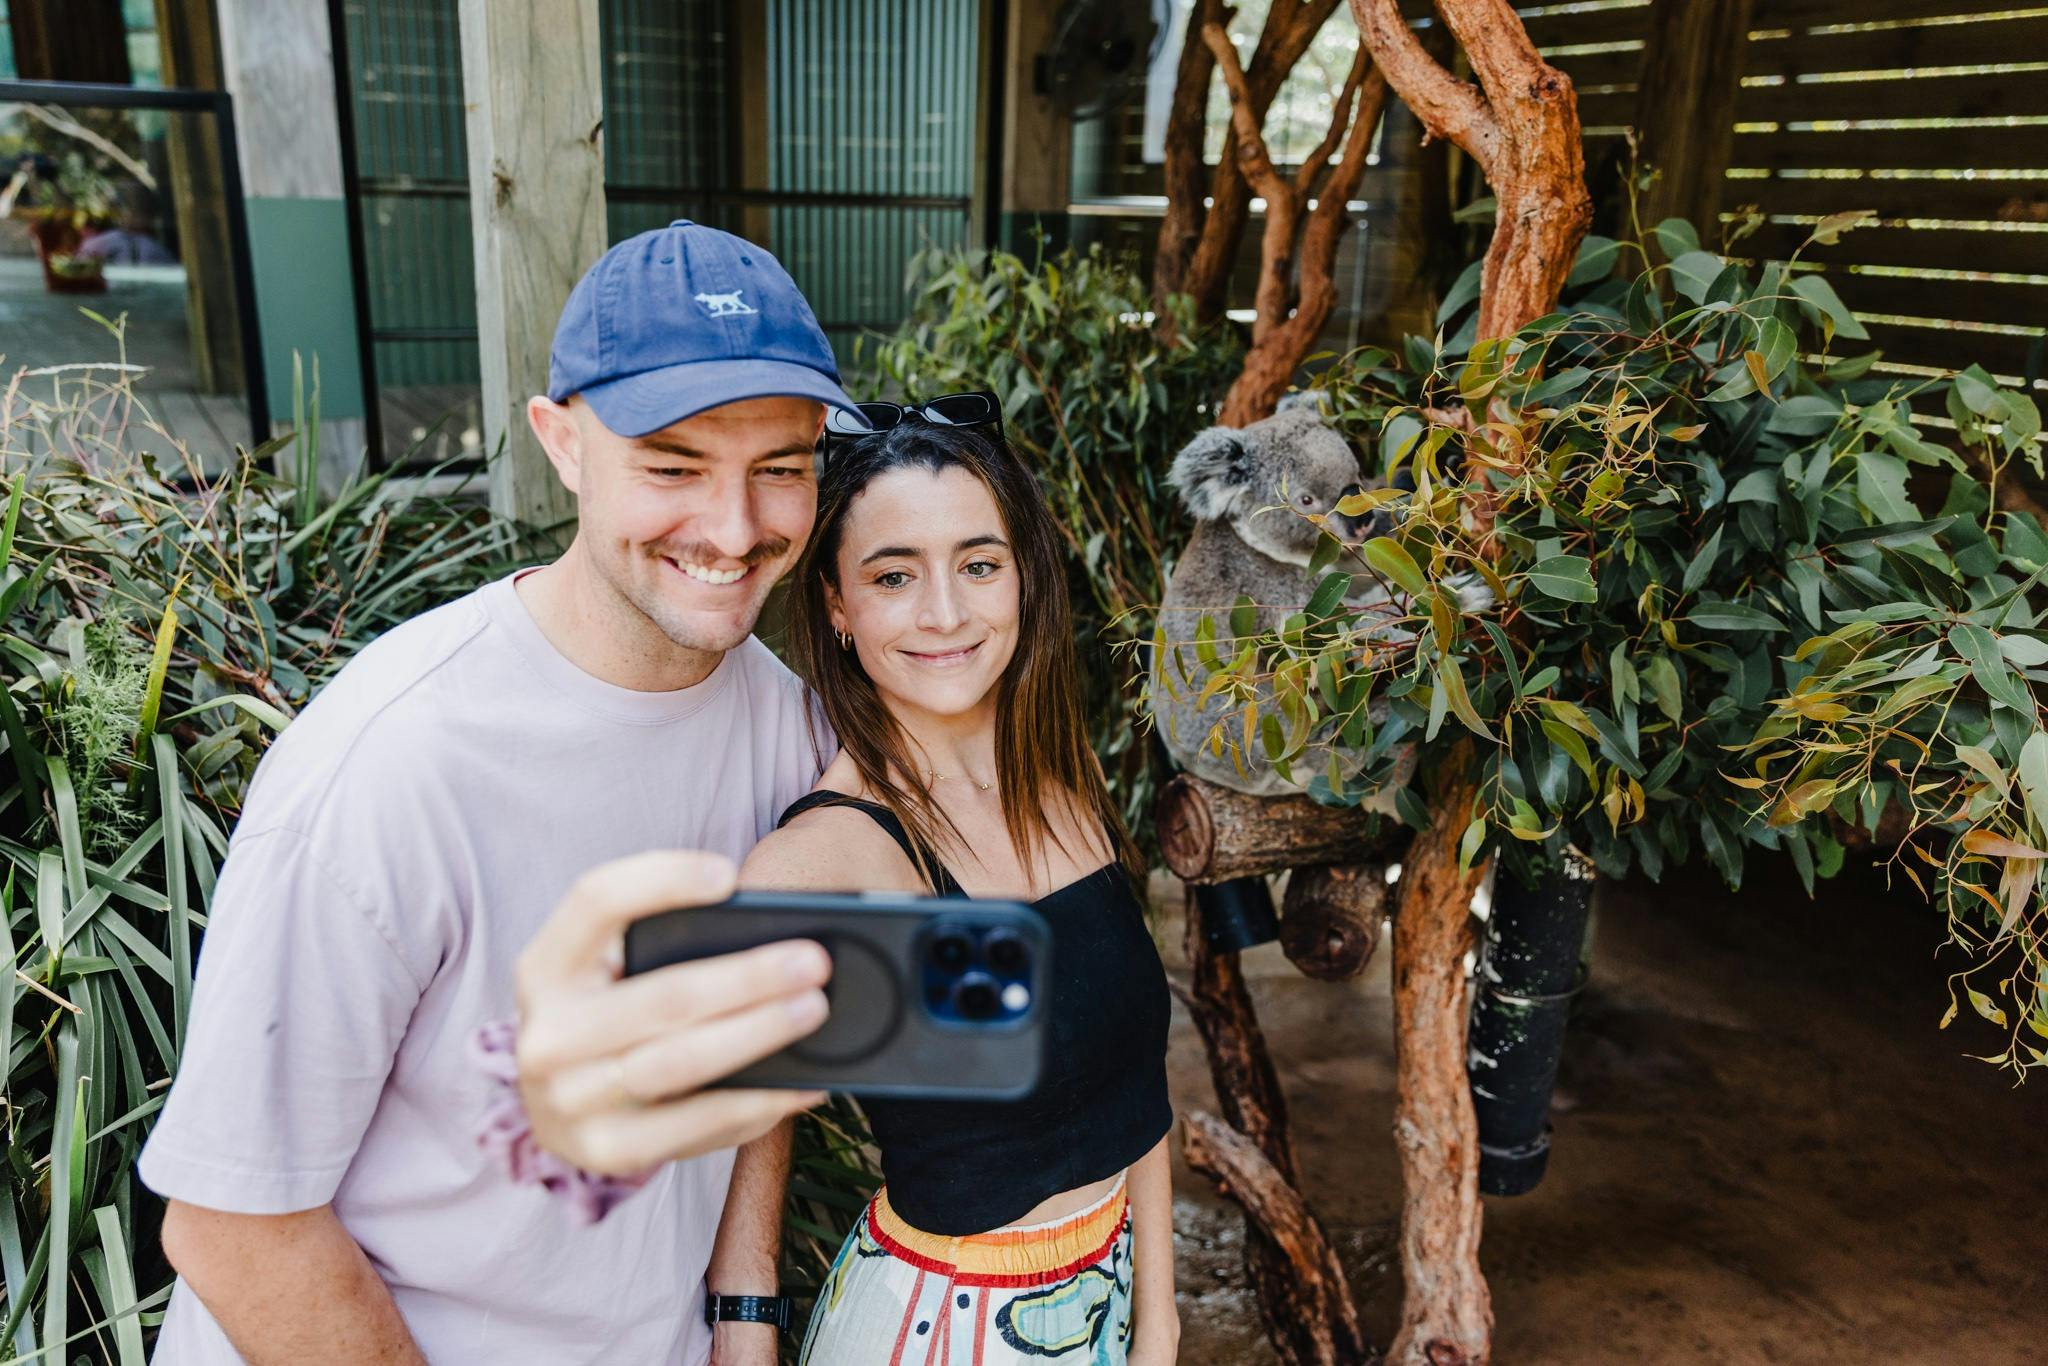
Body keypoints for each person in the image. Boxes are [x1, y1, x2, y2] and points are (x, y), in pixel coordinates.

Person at [136, 220, 858, 1364]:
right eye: (672, 466)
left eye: (780, 469)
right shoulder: (388, 766)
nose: (734, 529)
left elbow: (762, 1037)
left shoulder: (784, 723)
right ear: (561, 443)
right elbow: (234, 1227)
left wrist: (743, 1302)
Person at [746, 411, 1181, 1364]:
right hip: (937, 1326)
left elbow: (1139, 1085)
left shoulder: (1066, 791)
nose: (944, 612)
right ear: (835, 606)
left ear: (1022, 577)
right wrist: (745, 1321)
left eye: (978, 565)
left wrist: (1160, 1319)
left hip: (1107, 1304)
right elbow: (750, 1122)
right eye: (894, 576)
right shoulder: (822, 860)